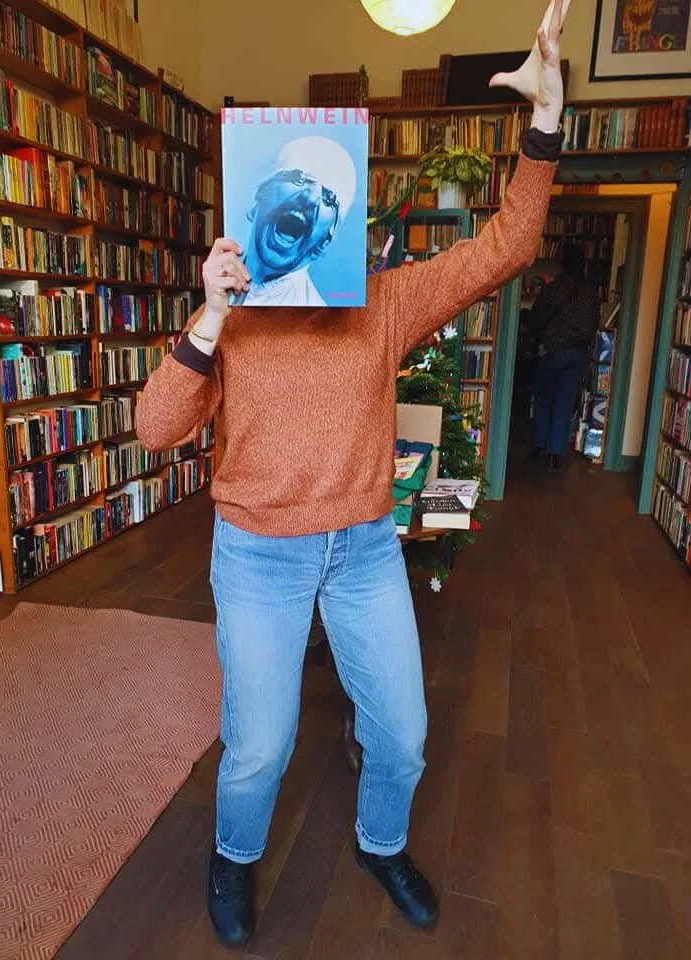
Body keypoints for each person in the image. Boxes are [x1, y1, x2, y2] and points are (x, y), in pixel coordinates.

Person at [136, 0, 569, 947]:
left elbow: (508, 246)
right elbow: (154, 429)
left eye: (314, 205)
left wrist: (544, 123)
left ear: (336, 216)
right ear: (257, 208)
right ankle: (235, 857)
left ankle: (380, 843)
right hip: (259, 554)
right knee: (260, 748)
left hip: (364, 547)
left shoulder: (383, 302)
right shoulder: (235, 308)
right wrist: (207, 316)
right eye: (279, 201)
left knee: (404, 736)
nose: (295, 218)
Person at [233, 136, 357, 307]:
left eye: (329, 199)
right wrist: (212, 310)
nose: (311, 198)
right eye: (299, 178)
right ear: (261, 195)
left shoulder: (320, 321)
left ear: (324, 243)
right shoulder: (220, 288)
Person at [529, 239, 601, 470]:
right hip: (578, 353)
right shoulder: (591, 291)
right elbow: (593, 323)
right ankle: (554, 455)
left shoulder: (553, 288)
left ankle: (540, 446)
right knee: (564, 402)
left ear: (562, 263)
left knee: (543, 398)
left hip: (552, 350)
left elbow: (536, 318)